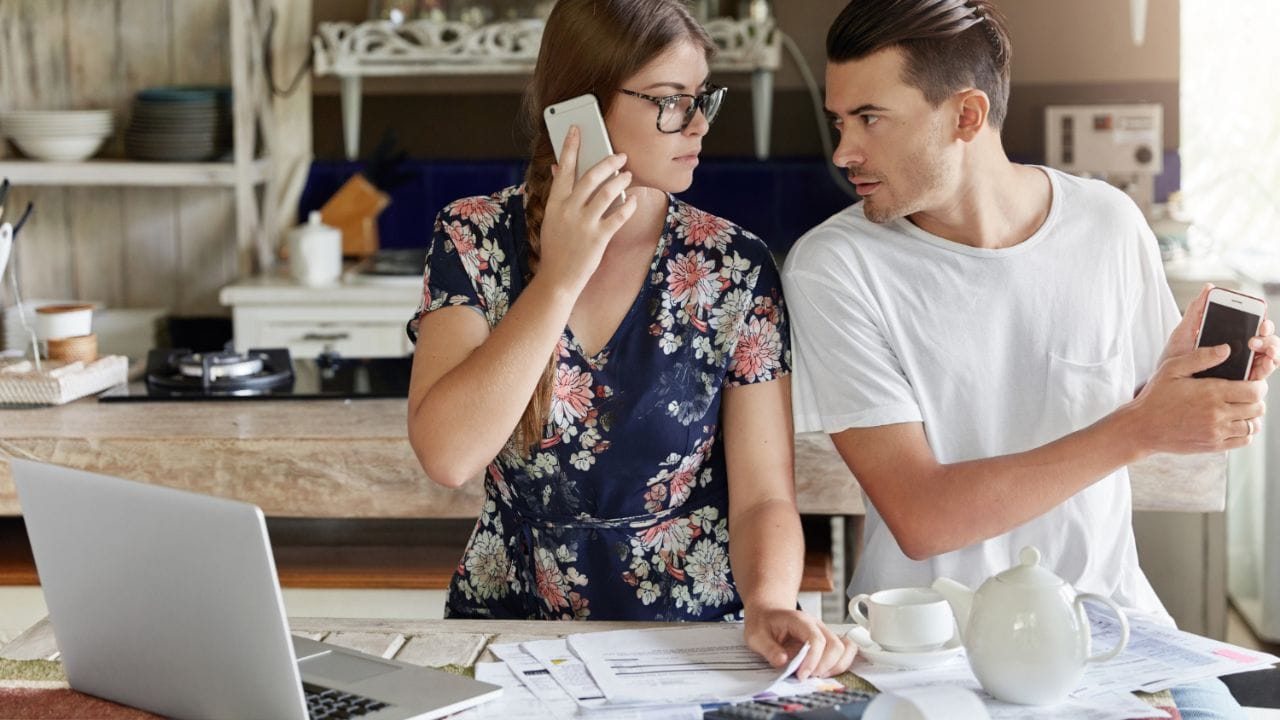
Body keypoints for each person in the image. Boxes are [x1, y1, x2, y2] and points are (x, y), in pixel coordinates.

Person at [783, 0, 1279, 714]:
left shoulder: (1108, 225)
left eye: (871, 118)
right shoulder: (834, 267)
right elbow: (922, 518)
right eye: (840, 122)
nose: (843, 152)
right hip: (928, 651)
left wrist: (1209, 387)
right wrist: (1140, 425)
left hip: (1114, 638)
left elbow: (1172, 418)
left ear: (966, 116)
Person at [405, 0, 852, 679]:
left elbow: (764, 496)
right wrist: (560, 277)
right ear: (577, 106)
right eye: (671, 102)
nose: (698, 125)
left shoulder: (735, 266)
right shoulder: (472, 237)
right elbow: (447, 454)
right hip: (510, 635)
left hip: (687, 645)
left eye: (702, 99)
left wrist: (769, 599)